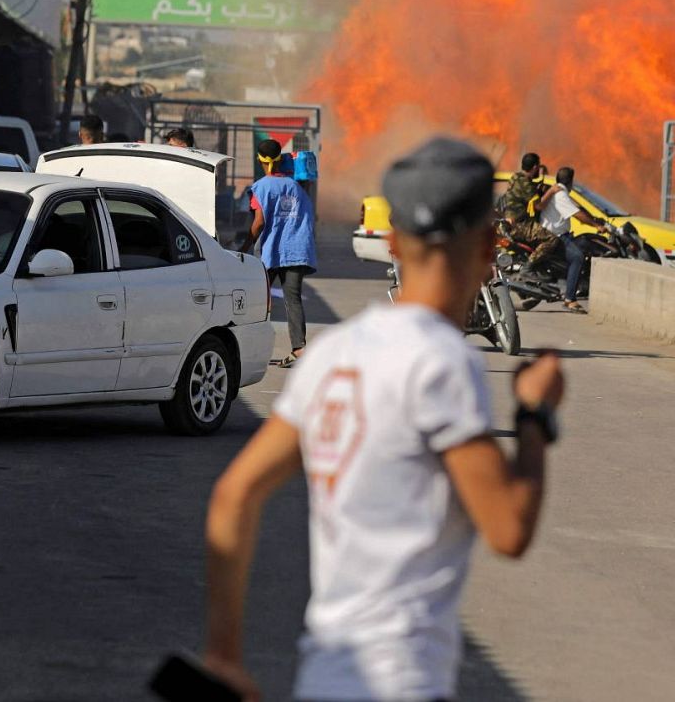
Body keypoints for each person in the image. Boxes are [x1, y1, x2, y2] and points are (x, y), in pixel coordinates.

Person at [202, 137, 565, 702]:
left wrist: (223, 656)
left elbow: (233, 497)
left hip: (323, 677)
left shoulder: (332, 354)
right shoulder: (444, 364)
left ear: (394, 242)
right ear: (489, 250)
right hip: (402, 682)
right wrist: (536, 415)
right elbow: (508, 529)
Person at [243, 139, 318, 367]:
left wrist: (244, 247)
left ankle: (249, 351)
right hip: (297, 249)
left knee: (258, 301)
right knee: (292, 300)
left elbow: (258, 223)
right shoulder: (296, 186)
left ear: (260, 160)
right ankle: (299, 349)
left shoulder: (260, 187)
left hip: (271, 252)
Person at [537, 166, 606, 314]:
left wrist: (594, 218)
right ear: (570, 181)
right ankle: (569, 299)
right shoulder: (560, 194)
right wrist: (596, 225)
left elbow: (578, 209)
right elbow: (577, 214)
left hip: (561, 234)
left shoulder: (560, 193)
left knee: (584, 243)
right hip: (555, 236)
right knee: (577, 257)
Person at [499, 152, 557, 272]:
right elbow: (539, 206)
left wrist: (541, 179)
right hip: (520, 225)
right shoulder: (526, 183)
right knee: (551, 239)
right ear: (535, 167)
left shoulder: (516, 177)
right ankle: (528, 268)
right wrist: (551, 191)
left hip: (513, 223)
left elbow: (530, 189)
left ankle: (539, 269)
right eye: (538, 167)